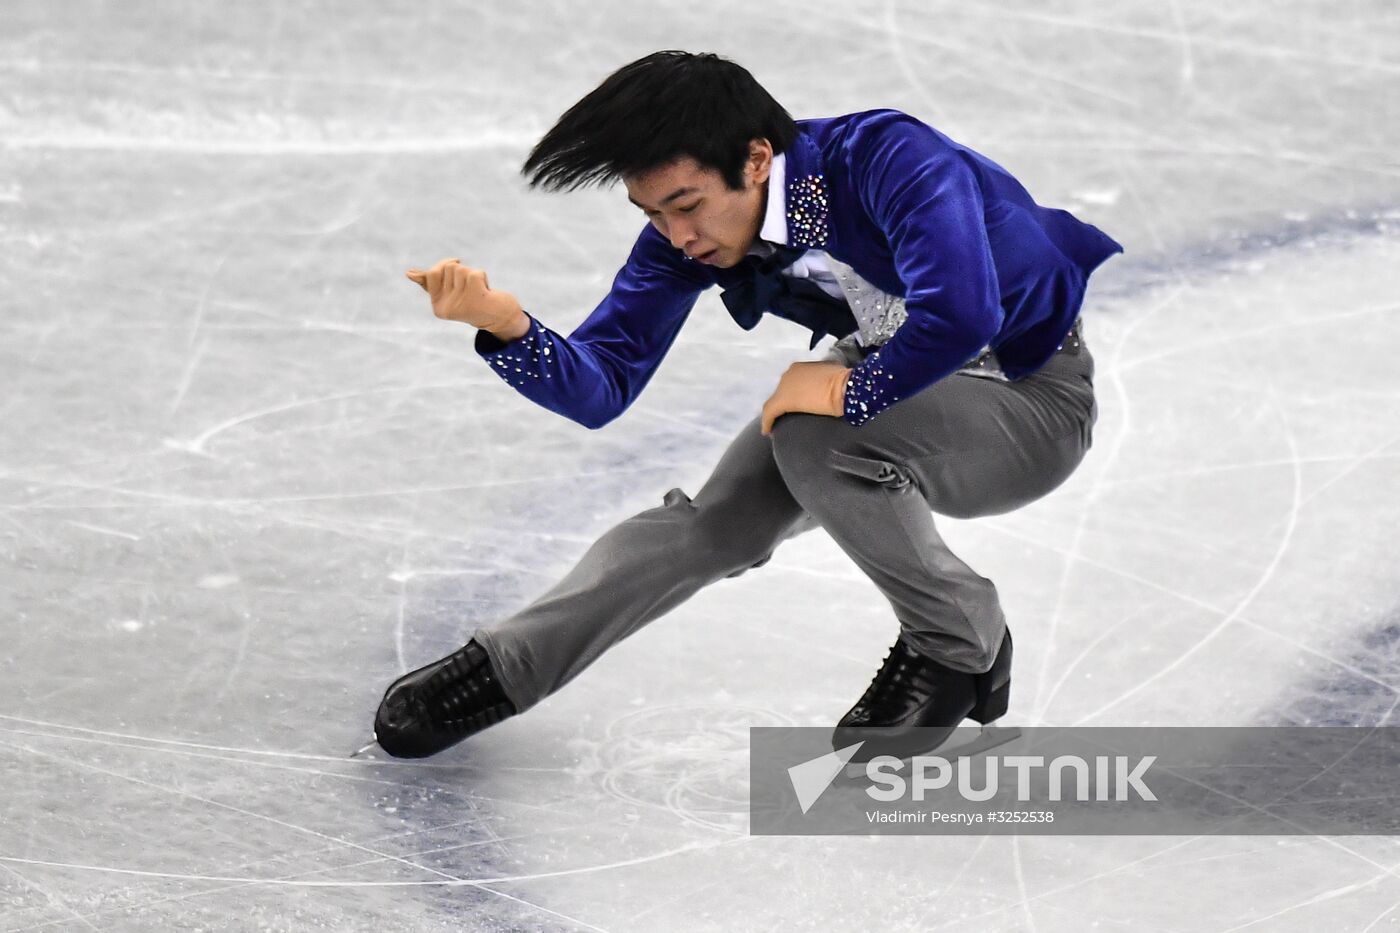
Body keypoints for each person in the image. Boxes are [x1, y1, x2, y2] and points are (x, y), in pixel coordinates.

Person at [371, 50, 1122, 762]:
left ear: (758, 159)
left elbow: (963, 313)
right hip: (888, 372)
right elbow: (602, 387)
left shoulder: (888, 157)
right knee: (718, 523)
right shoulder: (686, 237)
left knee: (813, 434)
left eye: (687, 205)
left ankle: (956, 644)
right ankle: (509, 665)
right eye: (652, 213)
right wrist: (510, 329)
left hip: (1028, 393)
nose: (677, 236)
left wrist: (844, 389)